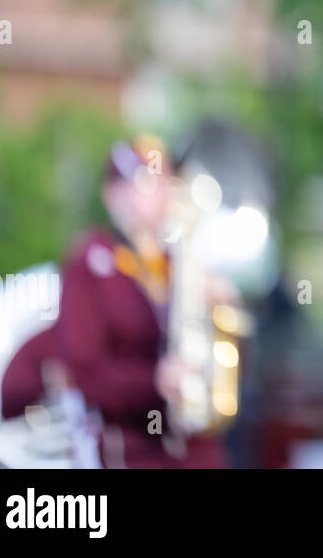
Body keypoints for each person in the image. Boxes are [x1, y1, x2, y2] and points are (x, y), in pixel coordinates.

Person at [55, 135, 229, 468]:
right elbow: (85, 374)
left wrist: (219, 313)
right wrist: (154, 381)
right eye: (145, 181)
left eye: (165, 179)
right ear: (112, 194)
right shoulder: (91, 265)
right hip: (131, 450)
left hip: (195, 451)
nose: (160, 191)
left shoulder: (182, 263)